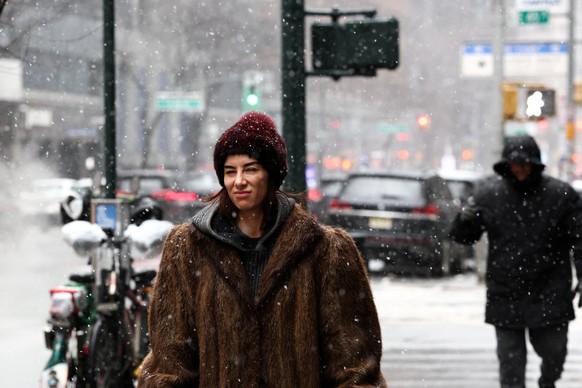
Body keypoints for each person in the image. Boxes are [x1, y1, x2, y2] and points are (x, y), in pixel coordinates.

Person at [138, 111, 387, 387]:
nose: (239, 181)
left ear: (271, 174)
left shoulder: (326, 250)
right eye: (230, 171)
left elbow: (355, 364)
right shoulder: (187, 248)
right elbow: (171, 360)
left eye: (251, 169)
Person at [449, 135, 582, 388]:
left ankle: (548, 381)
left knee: (554, 352)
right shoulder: (490, 195)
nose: (520, 168)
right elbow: (465, 238)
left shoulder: (561, 195)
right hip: (505, 292)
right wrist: (463, 221)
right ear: (506, 165)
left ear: (535, 164)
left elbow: (580, 239)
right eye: (514, 163)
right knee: (510, 368)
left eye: (525, 163)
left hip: (550, 291)